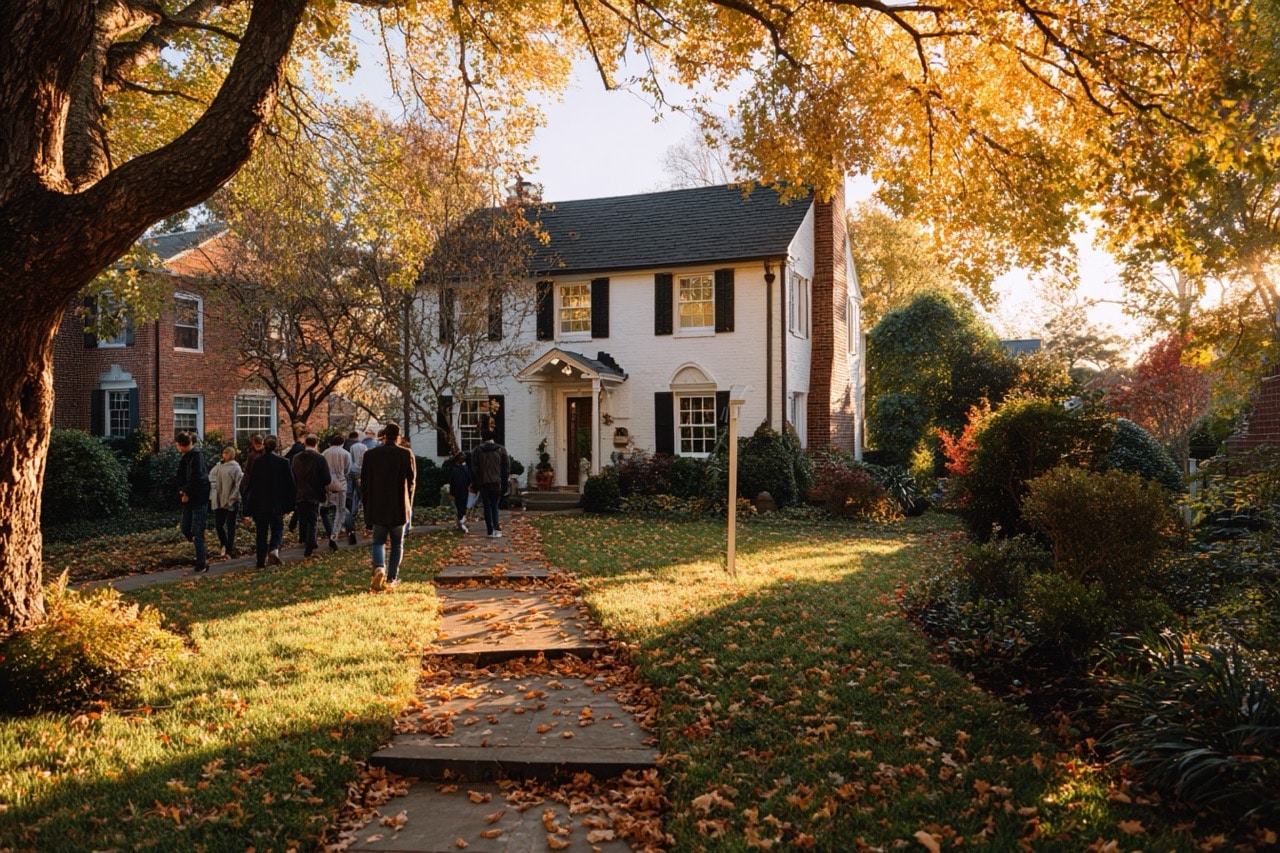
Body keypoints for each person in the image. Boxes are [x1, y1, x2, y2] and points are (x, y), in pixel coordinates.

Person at [360, 421, 416, 591]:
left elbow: (365, 484)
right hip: (398, 505)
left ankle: (379, 567)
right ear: (398, 437)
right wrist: (409, 505)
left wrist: (367, 504)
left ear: (383, 436)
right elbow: (411, 482)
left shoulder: (371, 455)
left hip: (377, 505)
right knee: (397, 543)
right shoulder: (406, 454)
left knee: (378, 541)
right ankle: (392, 578)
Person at [243, 435, 295, 568]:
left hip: (260, 503)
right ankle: (273, 549)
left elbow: (252, 483)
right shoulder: (283, 462)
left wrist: (248, 505)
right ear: (277, 446)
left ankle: (260, 561)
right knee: (277, 528)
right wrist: (289, 503)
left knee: (261, 532)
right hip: (276, 503)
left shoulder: (257, 462)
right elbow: (290, 485)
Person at [174, 432, 211, 573]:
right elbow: (179, 476)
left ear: (182, 444)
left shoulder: (197, 456)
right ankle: (199, 547)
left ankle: (201, 563)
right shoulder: (186, 457)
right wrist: (183, 492)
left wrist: (186, 492)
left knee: (196, 530)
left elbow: (198, 479)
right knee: (185, 528)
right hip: (189, 496)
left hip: (199, 498)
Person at [290, 433, 331, 557]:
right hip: (314, 492)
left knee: (303, 518)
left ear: (305, 443)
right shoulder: (320, 458)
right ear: (316, 444)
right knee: (313, 520)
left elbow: (292, 476)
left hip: (300, 491)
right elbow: (326, 479)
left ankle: (303, 539)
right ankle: (310, 544)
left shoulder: (296, 458)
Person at [471, 424, 510, 539]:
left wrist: (475, 483)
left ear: (482, 437)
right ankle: (496, 529)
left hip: (483, 483)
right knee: (494, 506)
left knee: (486, 507)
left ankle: (489, 530)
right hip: (496, 482)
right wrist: (504, 483)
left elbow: (474, 469)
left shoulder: (477, 450)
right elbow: (506, 468)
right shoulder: (501, 450)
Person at [209, 444, 244, 559]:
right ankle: (223, 543)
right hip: (219, 498)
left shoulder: (236, 468)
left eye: (227, 453)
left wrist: (233, 497)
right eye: (224, 453)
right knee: (219, 524)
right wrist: (214, 491)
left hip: (230, 500)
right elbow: (211, 478)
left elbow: (238, 484)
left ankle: (229, 548)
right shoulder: (218, 467)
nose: (224, 455)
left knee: (230, 525)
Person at [321, 432, 352, 552]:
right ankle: (334, 536)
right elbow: (347, 469)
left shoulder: (325, 453)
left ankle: (329, 531)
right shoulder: (345, 453)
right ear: (342, 443)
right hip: (340, 484)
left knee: (324, 509)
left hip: (326, 485)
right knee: (340, 511)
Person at [345, 430, 368, 545]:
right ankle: (361, 513)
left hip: (352, 470)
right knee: (361, 495)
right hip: (361, 471)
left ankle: (352, 513)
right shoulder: (364, 446)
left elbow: (351, 458)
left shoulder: (352, 447)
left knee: (351, 494)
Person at [445, 451, 473, 533]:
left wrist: (451, 493)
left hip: (457, 492)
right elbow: (470, 481)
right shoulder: (467, 469)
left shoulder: (454, 470)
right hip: (465, 492)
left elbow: (451, 483)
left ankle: (461, 523)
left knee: (459, 508)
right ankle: (462, 522)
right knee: (463, 508)